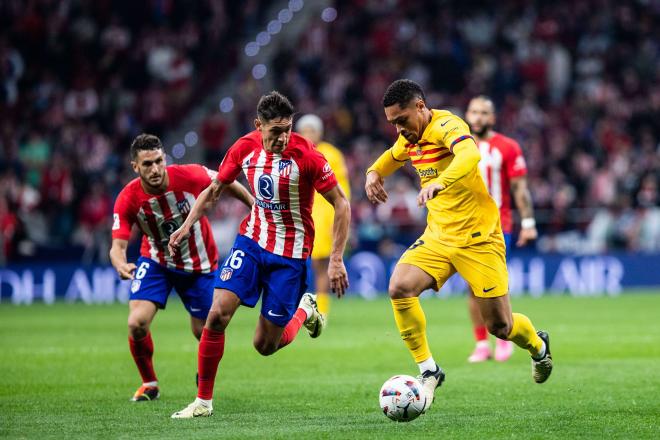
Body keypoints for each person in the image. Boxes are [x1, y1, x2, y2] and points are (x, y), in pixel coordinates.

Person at [364, 79, 552, 410]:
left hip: (479, 237)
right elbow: (391, 158)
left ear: (420, 107)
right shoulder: (409, 137)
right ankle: (429, 370)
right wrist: (372, 173)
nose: (398, 128)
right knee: (399, 287)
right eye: (392, 122)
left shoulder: (447, 124)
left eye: (401, 119)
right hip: (439, 236)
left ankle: (538, 345)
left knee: (501, 326)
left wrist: (440, 181)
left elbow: (470, 153)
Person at [169, 91, 351, 419]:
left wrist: (336, 258)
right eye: (274, 132)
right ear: (258, 126)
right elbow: (214, 189)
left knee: (264, 345)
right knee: (217, 314)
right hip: (251, 242)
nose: (282, 138)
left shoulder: (308, 156)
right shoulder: (244, 147)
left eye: (287, 130)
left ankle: (304, 312)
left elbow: (341, 203)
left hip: (291, 255)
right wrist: (185, 226)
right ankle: (203, 402)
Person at [109, 133, 253, 402]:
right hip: (156, 262)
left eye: (158, 161)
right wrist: (120, 264)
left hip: (198, 264)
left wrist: (254, 206)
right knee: (136, 323)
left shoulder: (190, 176)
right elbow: (117, 246)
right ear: (135, 167)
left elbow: (226, 181)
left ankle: (204, 376)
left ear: (164, 159)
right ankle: (149, 383)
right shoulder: (128, 198)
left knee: (205, 331)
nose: (155, 169)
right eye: (147, 164)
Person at [464, 96, 539, 363]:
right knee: (472, 288)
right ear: (467, 115)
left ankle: (503, 337)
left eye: (484, 112)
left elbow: (519, 188)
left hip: (497, 225)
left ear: (492, 118)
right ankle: (482, 344)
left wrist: (528, 223)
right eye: (474, 112)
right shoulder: (457, 146)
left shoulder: (507, 147)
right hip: (463, 225)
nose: (478, 117)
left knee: (495, 285)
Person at [296, 114, 351, 319]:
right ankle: (294, 307)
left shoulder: (332, 154)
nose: (309, 134)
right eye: (306, 131)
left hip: (323, 214)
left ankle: (321, 310)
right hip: (299, 214)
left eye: (313, 130)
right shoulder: (294, 152)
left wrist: (337, 221)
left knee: (320, 264)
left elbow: (342, 191)